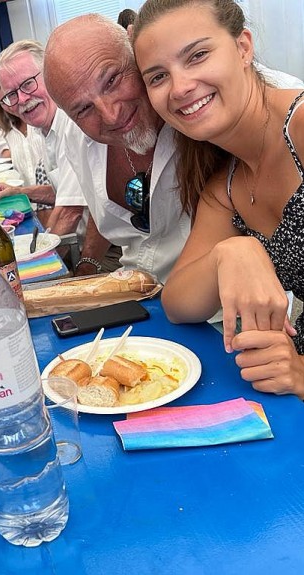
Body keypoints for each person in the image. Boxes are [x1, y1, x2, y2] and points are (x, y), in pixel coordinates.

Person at [131, 0, 304, 398]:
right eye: (158, 76)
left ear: (243, 47)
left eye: (197, 56)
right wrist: (231, 252)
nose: (180, 87)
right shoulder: (225, 185)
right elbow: (178, 304)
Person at [43, 15, 193, 282]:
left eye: (111, 80)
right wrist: (87, 266)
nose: (111, 116)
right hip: (131, 287)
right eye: (83, 108)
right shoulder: (78, 139)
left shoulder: (193, 106)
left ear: (134, 49)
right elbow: (99, 208)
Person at [0, 39, 123, 273]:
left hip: (111, 251)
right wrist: (20, 192)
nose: (21, 100)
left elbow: (70, 212)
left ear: (50, 77)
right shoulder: (44, 129)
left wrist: (36, 267)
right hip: (82, 245)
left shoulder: (72, 123)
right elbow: (65, 191)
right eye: (11, 94)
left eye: (28, 84)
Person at [0, 73, 44, 186]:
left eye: (11, 96)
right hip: (27, 196)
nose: (11, 104)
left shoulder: (40, 121)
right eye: (4, 101)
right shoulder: (6, 133)